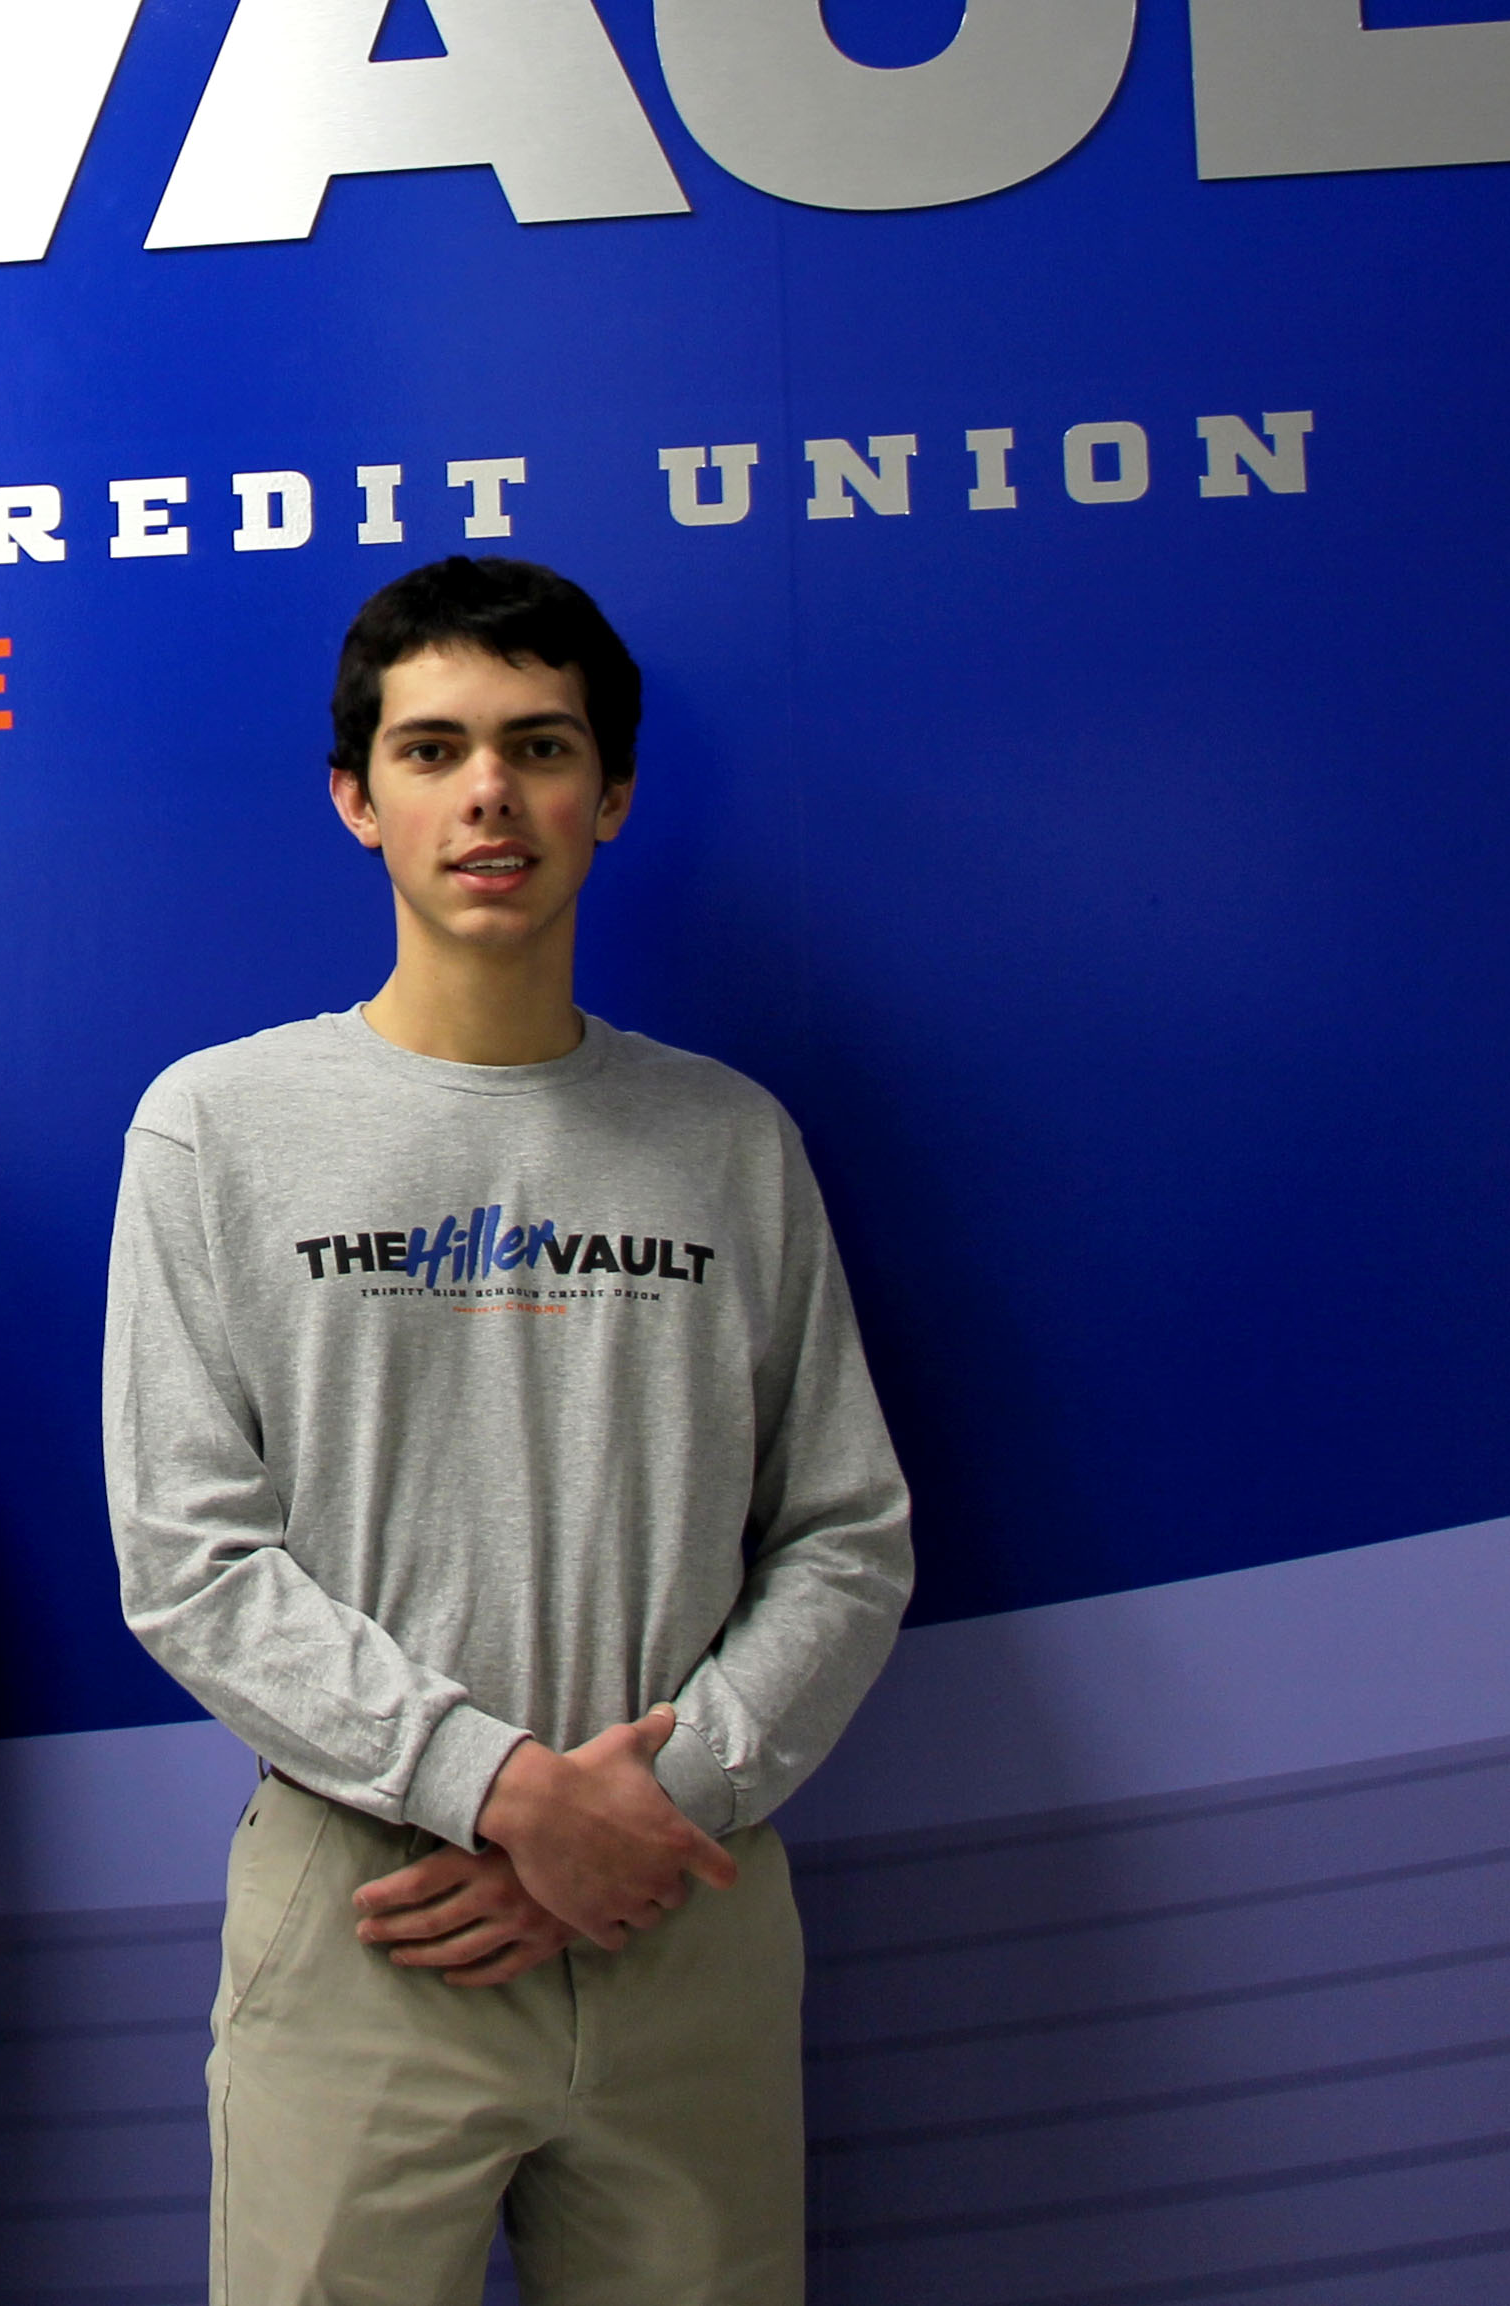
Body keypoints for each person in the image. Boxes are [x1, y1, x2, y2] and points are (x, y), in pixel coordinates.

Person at [105, 558, 913, 2306]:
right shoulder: (216, 1126)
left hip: (677, 1907)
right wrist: (498, 1793)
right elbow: (189, 1559)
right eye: (432, 748)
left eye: (538, 746)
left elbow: (846, 1540)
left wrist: (639, 1812)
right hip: (368, 1911)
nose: (487, 792)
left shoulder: (727, 1141)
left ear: (608, 795)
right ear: (356, 797)